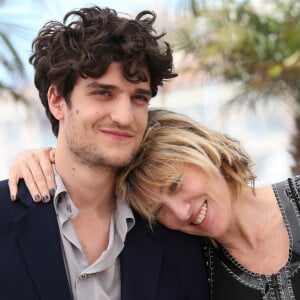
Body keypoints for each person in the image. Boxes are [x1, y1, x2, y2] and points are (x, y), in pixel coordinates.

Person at [0, 7, 209, 300]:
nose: (125, 117)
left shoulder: (174, 228)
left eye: (139, 97)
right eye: (103, 93)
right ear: (57, 100)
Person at [9, 109, 300, 300]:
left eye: (175, 184)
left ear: (199, 149)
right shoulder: (187, 259)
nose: (182, 212)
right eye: (160, 211)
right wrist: (37, 159)